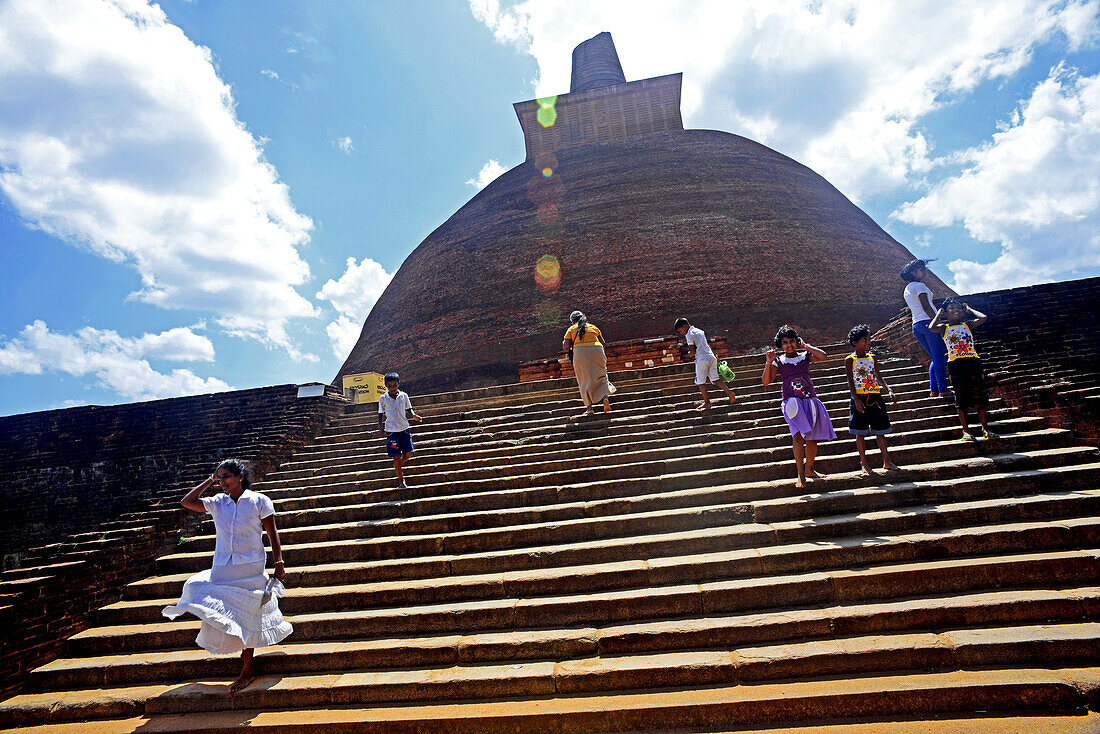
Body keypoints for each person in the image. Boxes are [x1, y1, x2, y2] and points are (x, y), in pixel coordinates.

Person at [163, 459, 292, 693]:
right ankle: (244, 663)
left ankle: (247, 669)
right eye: (219, 478)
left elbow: (273, 535)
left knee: (250, 615)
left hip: (251, 566)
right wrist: (209, 480)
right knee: (200, 593)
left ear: (240, 477)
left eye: (226, 477)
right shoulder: (217, 503)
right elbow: (186, 502)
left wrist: (279, 563)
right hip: (223, 567)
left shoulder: (259, 501)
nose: (222, 482)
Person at [762, 325, 837, 488]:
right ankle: (800, 474)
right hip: (791, 403)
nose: (789, 345)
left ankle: (809, 469)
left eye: (792, 341)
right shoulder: (779, 361)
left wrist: (807, 346)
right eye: (785, 343)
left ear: (797, 341)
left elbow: (823, 356)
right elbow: (766, 381)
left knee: (812, 438)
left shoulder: (805, 356)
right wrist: (768, 363)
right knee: (798, 436)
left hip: (810, 400)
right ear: (780, 345)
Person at [929, 298, 997, 441]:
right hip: (956, 364)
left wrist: (969, 309)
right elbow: (931, 327)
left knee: (980, 395)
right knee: (961, 397)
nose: (956, 310)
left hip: (973, 361)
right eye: (952, 308)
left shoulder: (968, 325)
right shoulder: (944, 328)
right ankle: (966, 431)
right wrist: (938, 314)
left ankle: (985, 429)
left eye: (958, 308)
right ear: (945, 313)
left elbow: (983, 317)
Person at [844, 324, 899, 475]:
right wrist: (855, 399)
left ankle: (886, 461)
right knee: (860, 432)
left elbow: (878, 376)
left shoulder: (872, 357)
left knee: (880, 430)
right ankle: (864, 463)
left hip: (875, 396)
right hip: (860, 398)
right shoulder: (850, 359)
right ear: (855, 342)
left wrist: (889, 389)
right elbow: (850, 381)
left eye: (869, 339)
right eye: (865, 339)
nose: (868, 342)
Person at [901, 258, 952, 398]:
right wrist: (938, 323)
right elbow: (926, 306)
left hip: (917, 325)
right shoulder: (919, 286)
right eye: (921, 270)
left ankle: (934, 390)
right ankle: (942, 389)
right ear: (913, 272)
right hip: (928, 323)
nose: (924, 272)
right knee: (939, 356)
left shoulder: (907, 289)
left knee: (935, 357)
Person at [675, 317, 736, 410]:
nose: (681, 333)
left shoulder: (689, 334)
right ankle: (730, 393)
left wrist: (690, 354)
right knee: (715, 379)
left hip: (701, 359)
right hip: (711, 356)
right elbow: (705, 345)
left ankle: (707, 402)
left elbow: (692, 350)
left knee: (701, 382)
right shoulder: (699, 331)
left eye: (680, 331)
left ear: (684, 326)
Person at [564, 310, 615, 417]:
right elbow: (603, 343)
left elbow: (566, 347)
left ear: (572, 321)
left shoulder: (571, 329)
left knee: (583, 379)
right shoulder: (593, 327)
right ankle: (605, 398)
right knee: (602, 375)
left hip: (580, 352)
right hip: (597, 350)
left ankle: (589, 408)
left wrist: (564, 342)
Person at [377, 372, 423, 489]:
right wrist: (381, 429)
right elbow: (380, 414)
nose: (392, 388)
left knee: (409, 453)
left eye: (394, 385)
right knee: (396, 456)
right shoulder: (383, 398)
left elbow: (409, 408)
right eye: (390, 385)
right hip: (391, 431)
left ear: (398, 384)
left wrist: (414, 415)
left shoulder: (404, 395)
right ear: (386, 385)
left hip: (404, 428)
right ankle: (402, 481)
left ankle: (398, 464)